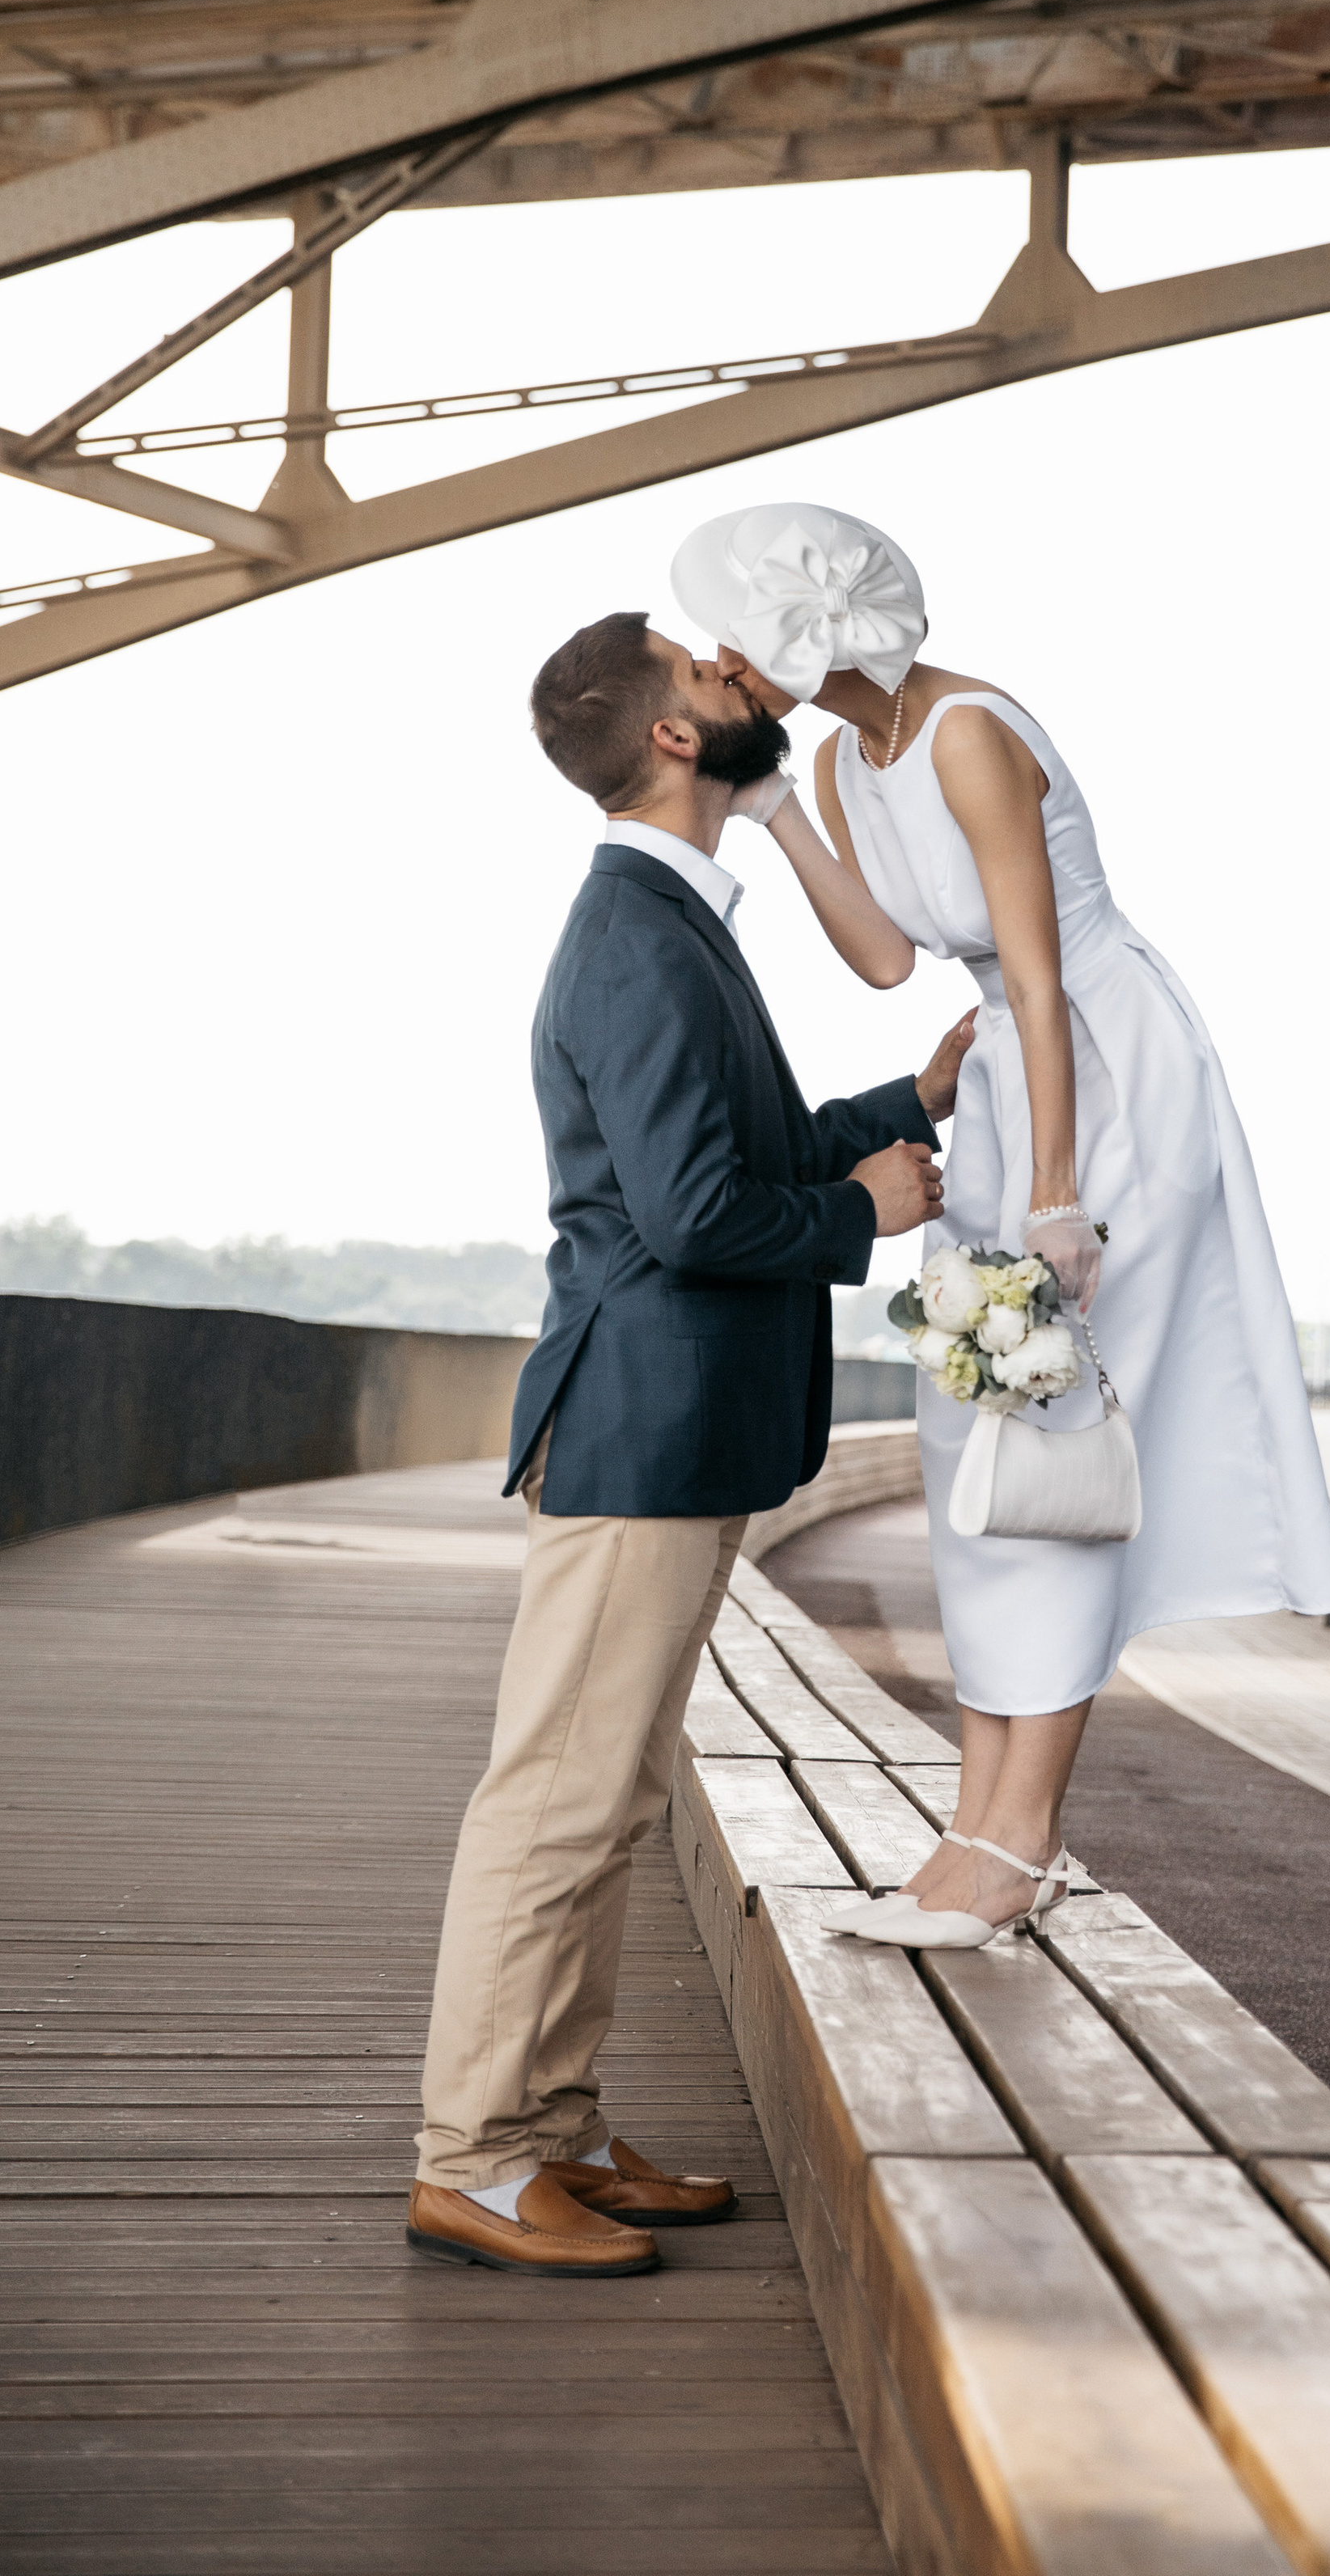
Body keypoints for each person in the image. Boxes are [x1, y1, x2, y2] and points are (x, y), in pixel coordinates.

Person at [669, 501, 1330, 1952]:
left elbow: (1040, 981)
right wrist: (783, 807)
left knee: (1056, 1436)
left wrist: (1055, 1198)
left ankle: (1020, 1842)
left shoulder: (970, 728)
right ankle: (978, 1829)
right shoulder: (856, 754)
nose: (723, 661)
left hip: (1098, 1082)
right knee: (977, 1437)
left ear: (804, 627)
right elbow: (887, 960)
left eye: (741, 631)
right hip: (1002, 1083)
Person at [408, 611, 966, 2274]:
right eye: (707, 673)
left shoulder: (670, 918)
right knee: (558, 1804)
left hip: (677, 1421)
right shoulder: (641, 934)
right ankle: (476, 2155)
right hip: (643, 1423)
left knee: (606, 1795)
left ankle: (550, 2130)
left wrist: (903, 1112)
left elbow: (749, 1146)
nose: (740, 680)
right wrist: (858, 1216)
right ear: (667, 736)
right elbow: (697, 1210)